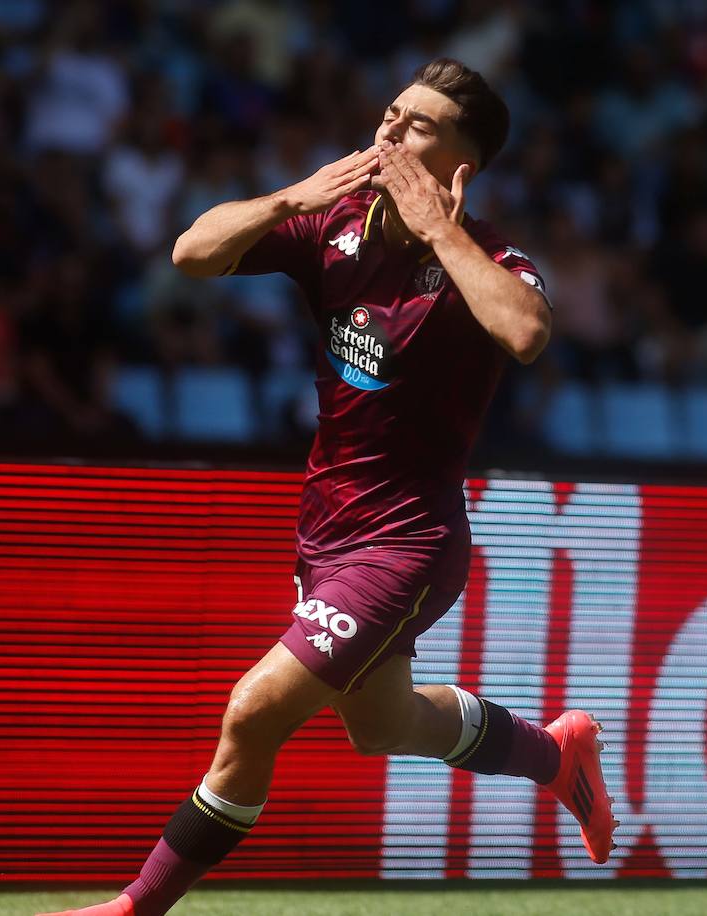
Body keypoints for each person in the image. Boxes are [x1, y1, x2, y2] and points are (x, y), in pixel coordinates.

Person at [40, 58, 615, 916]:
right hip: (326, 529)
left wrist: (442, 231)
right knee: (381, 726)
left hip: (408, 541)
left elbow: (527, 332)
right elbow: (190, 252)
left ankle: (137, 908)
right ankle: (554, 753)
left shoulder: (491, 258)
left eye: (418, 124)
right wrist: (285, 201)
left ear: (464, 162)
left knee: (253, 713)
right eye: (390, 112)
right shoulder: (335, 227)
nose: (390, 130)